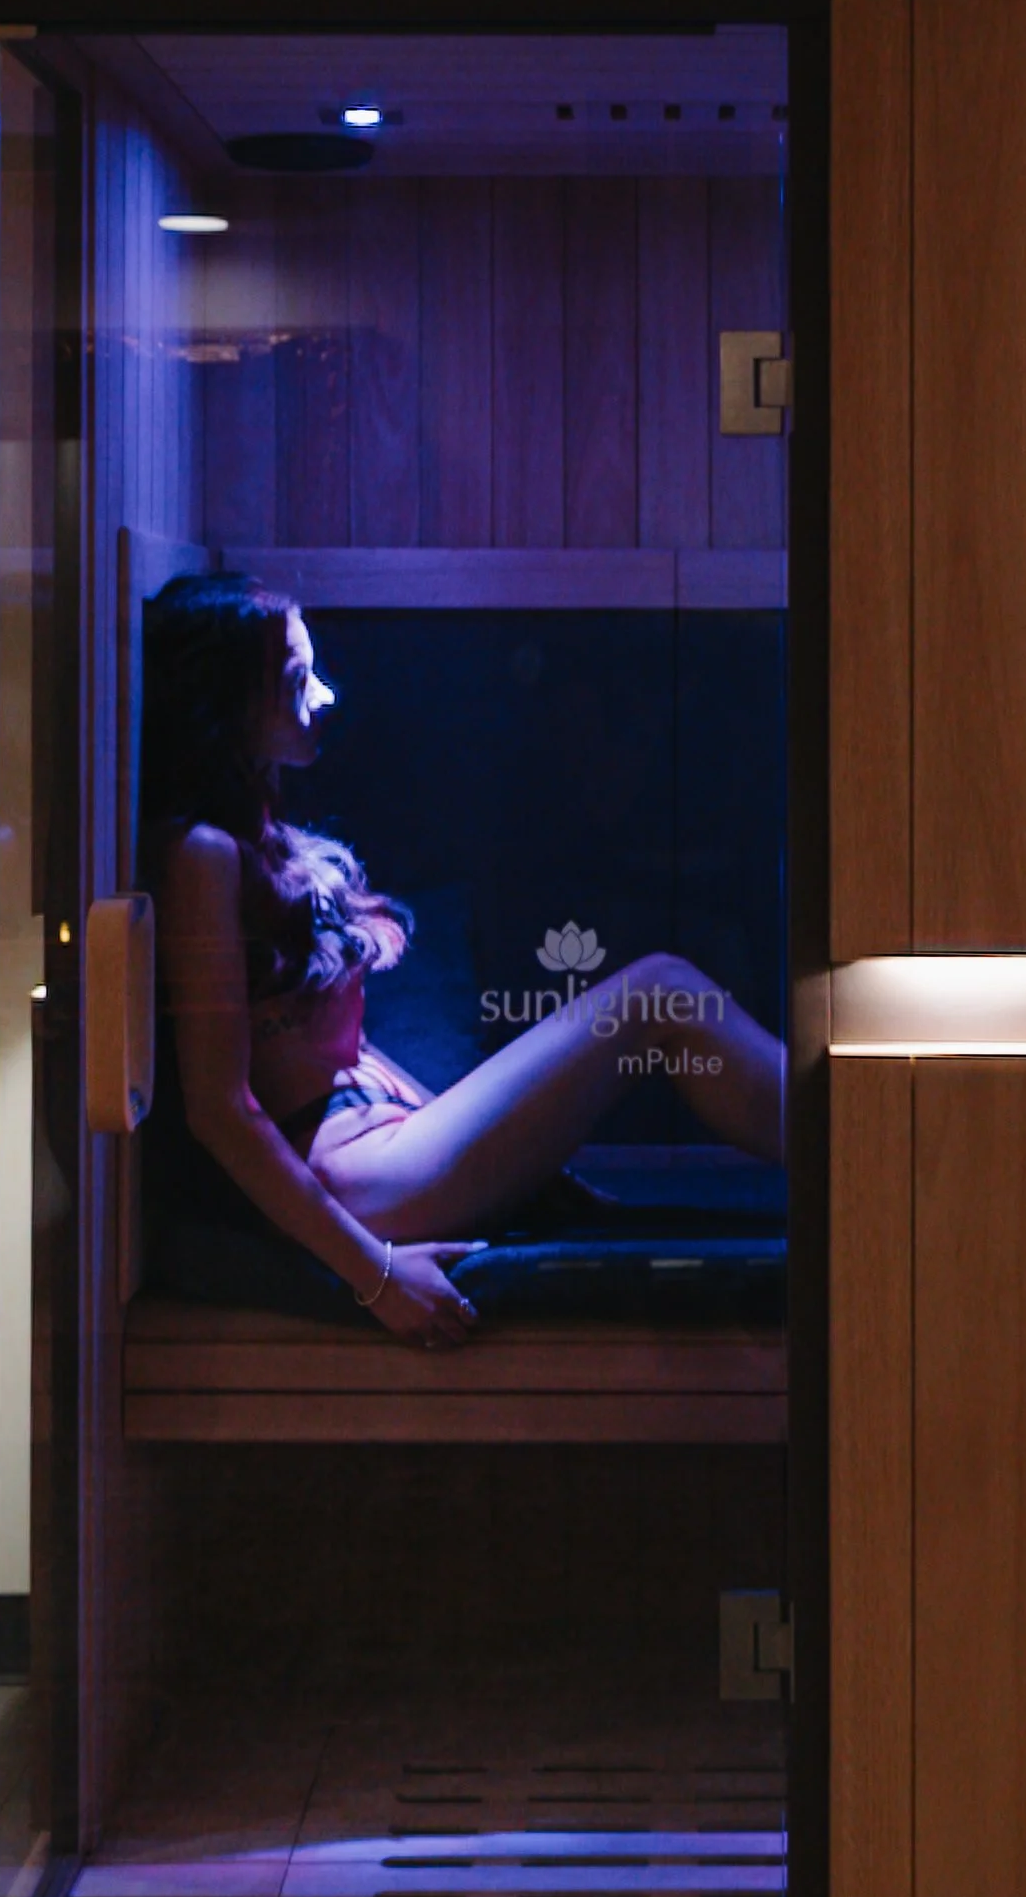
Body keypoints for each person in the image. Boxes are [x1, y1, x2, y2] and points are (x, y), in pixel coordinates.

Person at [139, 575, 786, 1348]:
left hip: (388, 1143)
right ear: (229, 708)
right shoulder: (199, 859)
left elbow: (346, 1056)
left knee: (663, 991)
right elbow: (220, 1110)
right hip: (360, 1178)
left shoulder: (256, 836)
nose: (326, 696)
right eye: (296, 682)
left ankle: (855, 1141)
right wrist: (374, 1274)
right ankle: (865, 1142)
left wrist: (517, 1161)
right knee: (660, 992)